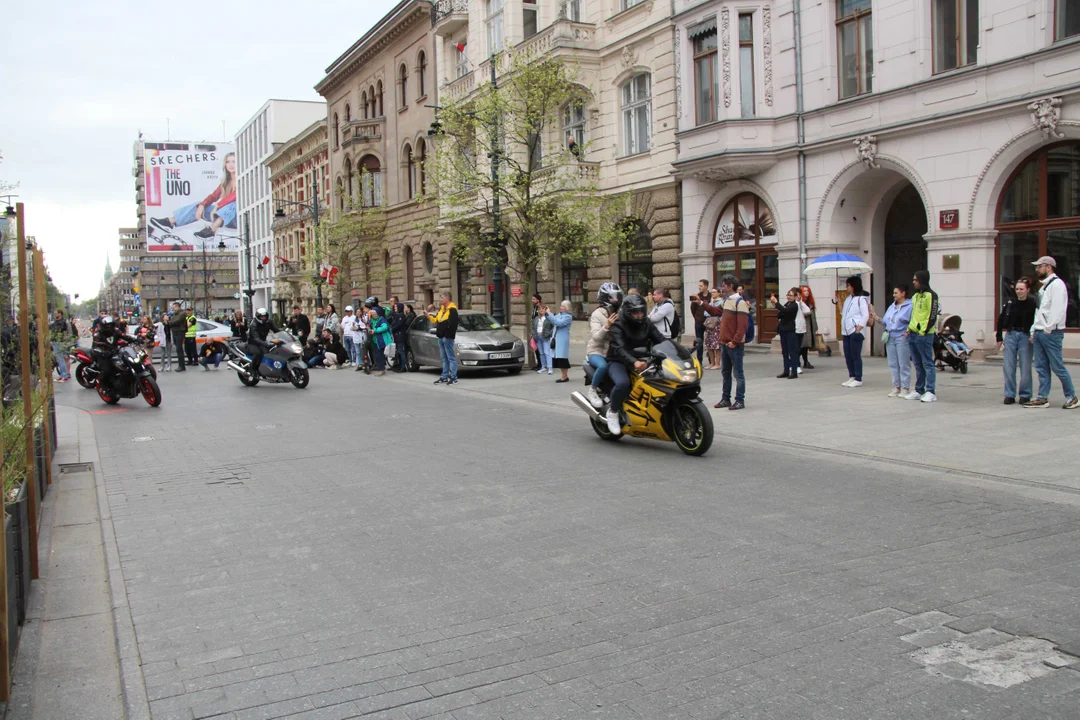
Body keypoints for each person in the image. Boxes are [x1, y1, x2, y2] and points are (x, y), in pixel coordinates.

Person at [604, 293, 666, 435]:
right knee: (622, 383)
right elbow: (619, 349)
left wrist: (681, 351)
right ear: (627, 312)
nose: (638, 316)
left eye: (641, 312)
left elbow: (661, 340)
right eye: (635, 313)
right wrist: (634, 362)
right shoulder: (618, 325)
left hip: (643, 360)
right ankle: (613, 412)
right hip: (618, 361)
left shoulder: (647, 324)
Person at [1025, 257, 1077, 409]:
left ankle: (1071, 396)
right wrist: (1034, 329)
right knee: (1041, 366)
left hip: (1051, 332)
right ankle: (1042, 397)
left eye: (1039, 267)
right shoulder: (1044, 288)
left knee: (1057, 366)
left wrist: (1048, 328)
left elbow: (1058, 309)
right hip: (1042, 332)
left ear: (1048, 267)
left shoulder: (1057, 285)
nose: (1036, 270)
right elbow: (1039, 311)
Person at [150, 152, 238, 242]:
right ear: (225, 164)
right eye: (228, 162)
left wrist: (217, 206)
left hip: (238, 218)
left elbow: (235, 195)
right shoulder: (225, 183)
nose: (231, 164)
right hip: (224, 217)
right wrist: (202, 205)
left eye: (234, 161)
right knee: (198, 205)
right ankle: (170, 222)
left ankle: (212, 230)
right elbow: (213, 196)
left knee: (235, 203)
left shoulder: (243, 178)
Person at [712, 276, 751, 410]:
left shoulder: (740, 303)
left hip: (735, 346)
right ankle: (725, 399)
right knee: (726, 373)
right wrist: (700, 304)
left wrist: (734, 342)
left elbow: (742, 326)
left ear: (730, 286)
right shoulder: (727, 301)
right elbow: (715, 311)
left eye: (723, 286)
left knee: (738, 374)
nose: (721, 288)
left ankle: (740, 400)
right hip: (725, 343)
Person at [997, 277, 1037, 405]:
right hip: (1011, 334)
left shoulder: (1032, 303)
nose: (1019, 291)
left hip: (1025, 335)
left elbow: (1037, 320)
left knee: (1025, 366)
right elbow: (1001, 319)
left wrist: (1033, 334)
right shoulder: (1010, 303)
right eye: (1017, 289)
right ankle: (1009, 394)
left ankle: (1025, 394)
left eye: (1022, 289)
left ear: (1028, 290)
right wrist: (999, 337)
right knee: (1009, 366)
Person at [586, 283, 623, 407]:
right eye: (612, 297)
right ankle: (592, 390)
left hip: (614, 352)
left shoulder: (621, 313)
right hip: (597, 351)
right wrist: (606, 326)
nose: (615, 300)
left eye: (617, 297)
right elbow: (596, 337)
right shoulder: (597, 314)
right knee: (603, 366)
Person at [906, 270, 940, 402]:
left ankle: (930, 391)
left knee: (927, 363)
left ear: (922, 280)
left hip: (924, 335)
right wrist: (909, 329)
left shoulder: (932, 295)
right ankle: (919, 389)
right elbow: (913, 314)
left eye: (916, 280)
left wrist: (923, 331)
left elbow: (932, 315)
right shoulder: (915, 297)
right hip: (913, 333)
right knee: (917, 363)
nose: (914, 282)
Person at [882, 285, 914, 398]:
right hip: (890, 336)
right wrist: (876, 317)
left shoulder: (910, 306)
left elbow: (912, 320)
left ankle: (905, 387)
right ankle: (896, 386)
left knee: (903, 363)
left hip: (901, 337)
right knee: (893, 363)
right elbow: (885, 321)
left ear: (903, 293)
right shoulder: (892, 306)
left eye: (896, 293)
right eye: (894, 293)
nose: (894, 295)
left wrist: (908, 332)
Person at [91, 315, 137, 391]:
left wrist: (134, 339)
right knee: (107, 369)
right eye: (107, 325)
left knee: (125, 363)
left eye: (110, 325)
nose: (109, 327)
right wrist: (102, 352)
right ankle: (104, 386)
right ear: (103, 326)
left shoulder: (115, 330)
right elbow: (95, 345)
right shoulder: (98, 333)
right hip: (102, 354)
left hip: (114, 351)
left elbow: (124, 336)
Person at [840, 276, 870, 388]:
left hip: (855, 330)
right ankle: (851, 375)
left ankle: (858, 377)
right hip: (846, 331)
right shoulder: (848, 299)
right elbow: (845, 314)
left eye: (848, 285)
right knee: (848, 354)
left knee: (855, 354)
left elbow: (865, 314)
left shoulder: (861, 299)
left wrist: (859, 327)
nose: (846, 287)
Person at [429, 292, 460, 385]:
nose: (440, 300)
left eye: (442, 298)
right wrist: (428, 316)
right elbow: (436, 320)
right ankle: (444, 376)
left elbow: (453, 325)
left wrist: (447, 335)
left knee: (451, 357)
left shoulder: (452, 310)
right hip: (441, 336)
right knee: (444, 358)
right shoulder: (442, 310)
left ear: (447, 299)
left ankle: (454, 377)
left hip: (447, 337)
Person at [771, 288, 801, 380]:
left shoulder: (794, 305)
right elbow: (780, 314)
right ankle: (786, 370)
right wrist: (779, 307)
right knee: (785, 351)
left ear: (795, 297)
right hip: (783, 329)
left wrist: (777, 303)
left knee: (792, 351)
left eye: (791, 295)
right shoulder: (787, 304)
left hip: (790, 330)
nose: (789, 297)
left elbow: (785, 312)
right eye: (788, 295)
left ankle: (794, 372)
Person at [245, 308, 281, 379]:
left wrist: (285, 334)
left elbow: (276, 330)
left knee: (272, 351)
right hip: (253, 343)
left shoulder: (269, 322)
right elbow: (256, 338)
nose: (263, 318)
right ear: (258, 317)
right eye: (261, 317)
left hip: (263, 342)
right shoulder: (254, 324)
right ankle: (253, 369)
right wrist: (266, 344)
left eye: (264, 316)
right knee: (258, 353)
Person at [546, 300, 574, 383]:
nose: (560, 307)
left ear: (567, 308)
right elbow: (553, 319)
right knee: (559, 358)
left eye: (563, 306)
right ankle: (564, 376)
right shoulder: (560, 314)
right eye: (561, 306)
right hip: (557, 338)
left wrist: (549, 314)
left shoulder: (568, 317)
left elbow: (558, 323)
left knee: (562, 358)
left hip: (562, 339)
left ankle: (564, 376)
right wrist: (547, 313)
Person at [690, 279, 710, 366]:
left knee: (710, 341)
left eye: (701, 286)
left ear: (706, 286)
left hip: (709, 322)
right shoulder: (697, 296)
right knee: (699, 341)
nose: (699, 287)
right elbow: (693, 309)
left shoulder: (710, 296)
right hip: (699, 322)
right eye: (699, 286)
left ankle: (711, 360)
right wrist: (697, 318)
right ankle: (699, 361)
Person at [703, 287, 724, 370]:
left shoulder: (721, 302)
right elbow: (705, 313)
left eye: (715, 292)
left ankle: (718, 363)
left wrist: (712, 312)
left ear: (719, 293)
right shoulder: (711, 302)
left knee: (717, 345)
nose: (713, 294)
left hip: (717, 325)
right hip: (710, 325)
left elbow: (720, 313)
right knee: (709, 344)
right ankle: (712, 363)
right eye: (712, 292)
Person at [368, 307, 393, 376]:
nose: (374, 315)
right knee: (377, 355)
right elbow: (369, 327)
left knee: (380, 355)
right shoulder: (371, 320)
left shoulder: (382, 320)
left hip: (381, 340)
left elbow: (385, 327)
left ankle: (381, 369)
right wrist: (369, 330)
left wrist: (375, 330)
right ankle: (381, 368)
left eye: (375, 314)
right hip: (375, 340)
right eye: (372, 314)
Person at [799, 286, 818, 370]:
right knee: (803, 345)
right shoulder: (800, 302)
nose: (807, 292)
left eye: (808, 291)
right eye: (804, 291)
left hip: (810, 325)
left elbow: (814, 315)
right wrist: (807, 313)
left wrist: (815, 326)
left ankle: (805, 362)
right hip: (803, 326)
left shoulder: (810, 302)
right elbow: (800, 314)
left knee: (806, 346)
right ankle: (795, 360)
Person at [49, 310, 72, 382]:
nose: (55, 315)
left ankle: (64, 375)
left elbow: (69, 331)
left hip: (61, 342)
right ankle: (62, 375)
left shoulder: (64, 322)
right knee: (59, 359)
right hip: (56, 341)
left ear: (60, 314)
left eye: (56, 313)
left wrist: (66, 341)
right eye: (55, 313)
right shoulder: (54, 323)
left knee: (62, 359)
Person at [534, 302, 554, 375]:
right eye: (539, 309)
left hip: (545, 336)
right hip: (538, 336)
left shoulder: (549, 317)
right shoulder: (536, 318)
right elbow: (533, 327)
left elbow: (554, 326)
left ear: (546, 309)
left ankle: (550, 367)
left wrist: (549, 333)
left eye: (543, 308)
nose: (541, 310)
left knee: (547, 352)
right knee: (541, 353)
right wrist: (534, 335)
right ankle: (543, 367)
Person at [167, 303, 187, 371]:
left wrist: (169, 322)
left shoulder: (182, 313)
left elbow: (176, 321)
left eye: (174, 307)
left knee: (179, 349)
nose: (173, 309)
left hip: (180, 331)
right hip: (175, 332)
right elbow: (172, 321)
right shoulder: (175, 314)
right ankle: (181, 365)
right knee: (178, 349)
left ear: (178, 307)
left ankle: (182, 366)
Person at [389, 302, 408, 372]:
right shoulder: (397, 315)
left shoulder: (401, 315)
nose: (395, 308)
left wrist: (392, 329)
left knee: (401, 351)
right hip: (396, 336)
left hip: (400, 336)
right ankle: (399, 365)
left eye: (396, 307)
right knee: (398, 351)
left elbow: (399, 324)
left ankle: (403, 366)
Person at [530, 294, 544, 370]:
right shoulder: (534, 307)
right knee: (535, 348)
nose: (532, 301)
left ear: (538, 300)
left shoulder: (540, 308)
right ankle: (539, 363)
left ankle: (541, 364)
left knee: (539, 348)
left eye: (534, 299)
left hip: (539, 330)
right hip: (534, 330)